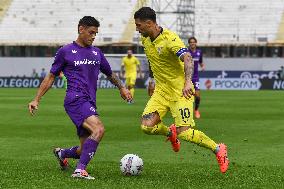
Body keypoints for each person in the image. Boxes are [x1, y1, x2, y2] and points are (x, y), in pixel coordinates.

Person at [28, 16, 132, 180]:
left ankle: (62, 153)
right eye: (91, 32)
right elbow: (50, 77)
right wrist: (36, 99)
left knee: (84, 150)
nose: (93, 36)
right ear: (81, 29)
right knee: (99, 129)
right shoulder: (66, 51)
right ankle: (80, 170)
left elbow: (110, 73)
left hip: (89, 101)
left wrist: (122, 87)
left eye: (96, 34)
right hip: (75, 99)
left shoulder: (97, 52)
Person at [134, 7, 229, 173]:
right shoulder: (146, 39)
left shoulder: (170, 39)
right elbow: (152, 60)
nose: (137, 29)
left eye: (139, 25)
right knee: (147, 126)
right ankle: (170, 134)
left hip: (180, 91)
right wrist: (151, 80)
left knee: (184, 133)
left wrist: (187, 83)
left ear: (150, 23)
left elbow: (188, 58)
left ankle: (218, 149)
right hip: (161, 91)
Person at [188, 37, 205, 119]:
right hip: (187, 77)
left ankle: (196, 110)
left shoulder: (199, 52)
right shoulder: (186, 52)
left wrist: (202, 66)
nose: (192, 43)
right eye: (191, 42)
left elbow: (201, 62)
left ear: (196, 43)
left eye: (194, 42)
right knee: (185, 95)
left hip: (195, 77)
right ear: (189, 44)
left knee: (197, 96)